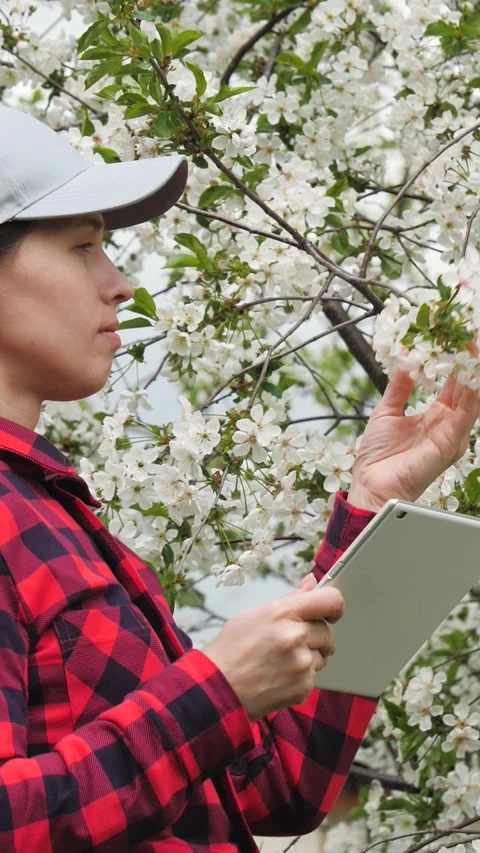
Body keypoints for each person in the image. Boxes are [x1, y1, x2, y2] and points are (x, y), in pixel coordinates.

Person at [0, 103, 477, 852]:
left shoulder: (50, 514)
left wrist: (377, 509)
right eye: (84, 245)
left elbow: (276, 782)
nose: (121, 283)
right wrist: (210, 691)